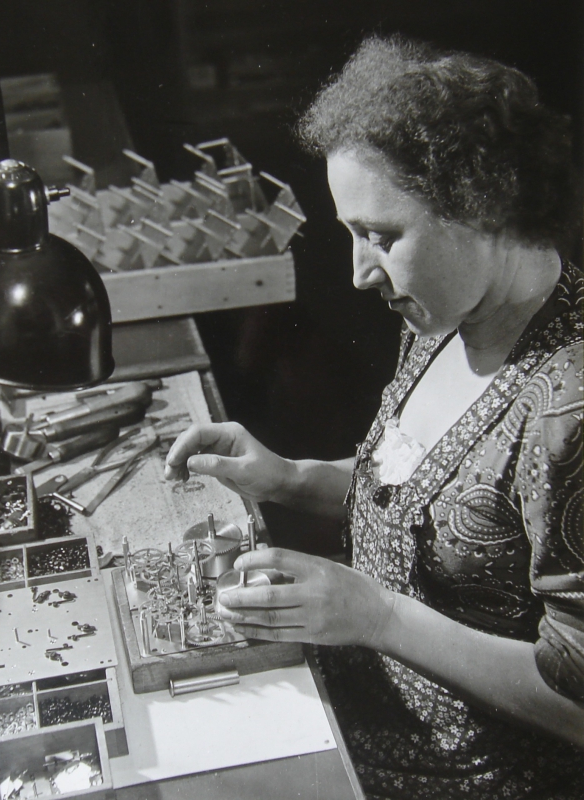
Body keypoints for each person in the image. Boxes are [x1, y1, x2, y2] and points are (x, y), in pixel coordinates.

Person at [164, 36, 584, 800]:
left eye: (381, 236)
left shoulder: (571, 410)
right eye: (351, 234)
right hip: (363, 703)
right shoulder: (442, 316)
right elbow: (433, 497)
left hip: (471, 777)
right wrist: (290, 478)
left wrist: (377, 617)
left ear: (484, 203)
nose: (360, 273)